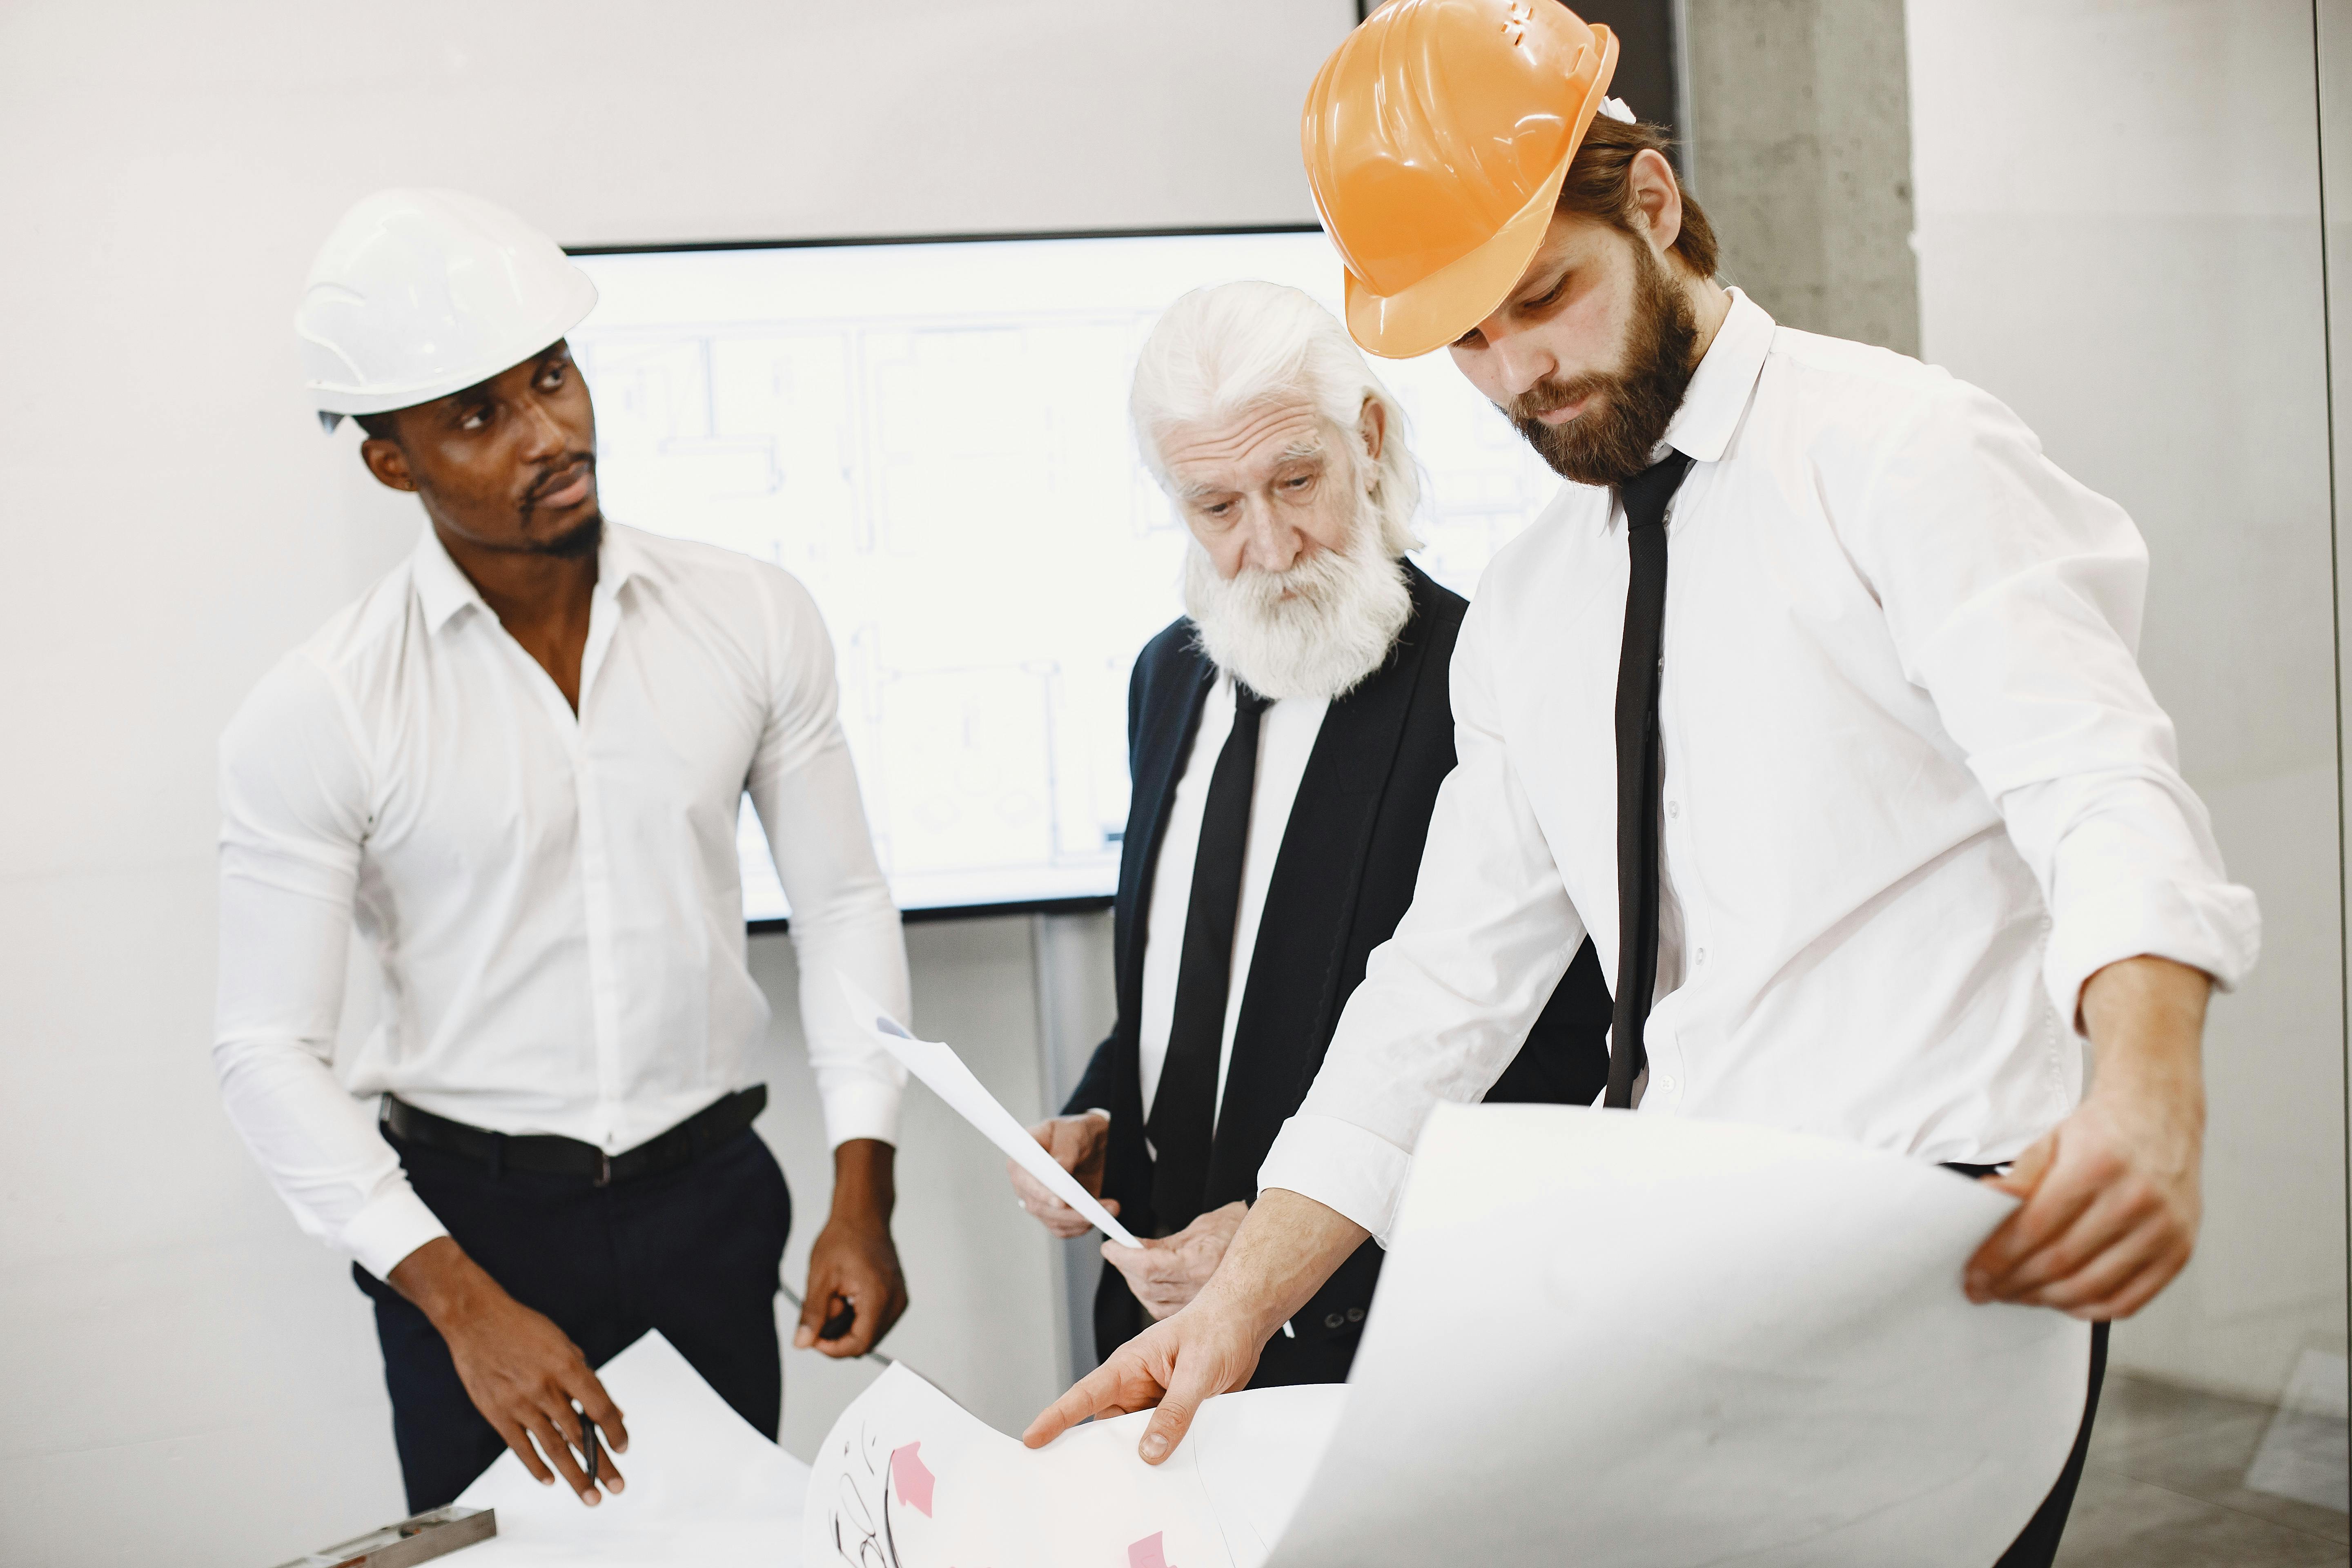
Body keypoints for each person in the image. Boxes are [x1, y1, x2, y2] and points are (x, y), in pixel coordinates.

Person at [1026, 9, 2258, 1566]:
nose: (1517, 372)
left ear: (1654, 206)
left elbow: (2099, 785)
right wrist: (1241, 1308)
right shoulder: (1542, 600)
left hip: (1941, 1254)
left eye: (1543, 297)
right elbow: (1441, 994)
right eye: (1467, 340)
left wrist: (2147, 1091)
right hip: (1685, 1257)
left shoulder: (1898, 455)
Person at [215, 189, 914, 1514]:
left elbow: (842, 900)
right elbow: (262, 1050)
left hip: (711, 1201)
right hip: (469, 1228)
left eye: (553, 378)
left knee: (733, 1550)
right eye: (481, 415)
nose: (550, 434)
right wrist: (462, 1307)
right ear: (393, 461)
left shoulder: (749, 617)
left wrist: (862, 1181)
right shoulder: (326, 706)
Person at [1006, 282, 1613, 1385]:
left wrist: (1300, 1230)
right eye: (1217, 508)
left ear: (1367, 439)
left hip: (1373, 1354)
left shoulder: (1483, 684)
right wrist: (1104, 1112)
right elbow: (1195, 983)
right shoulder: (1164, 681)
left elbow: (1560, 1057)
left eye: (1295, 481)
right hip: (1148, 1332)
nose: (1272, 545)